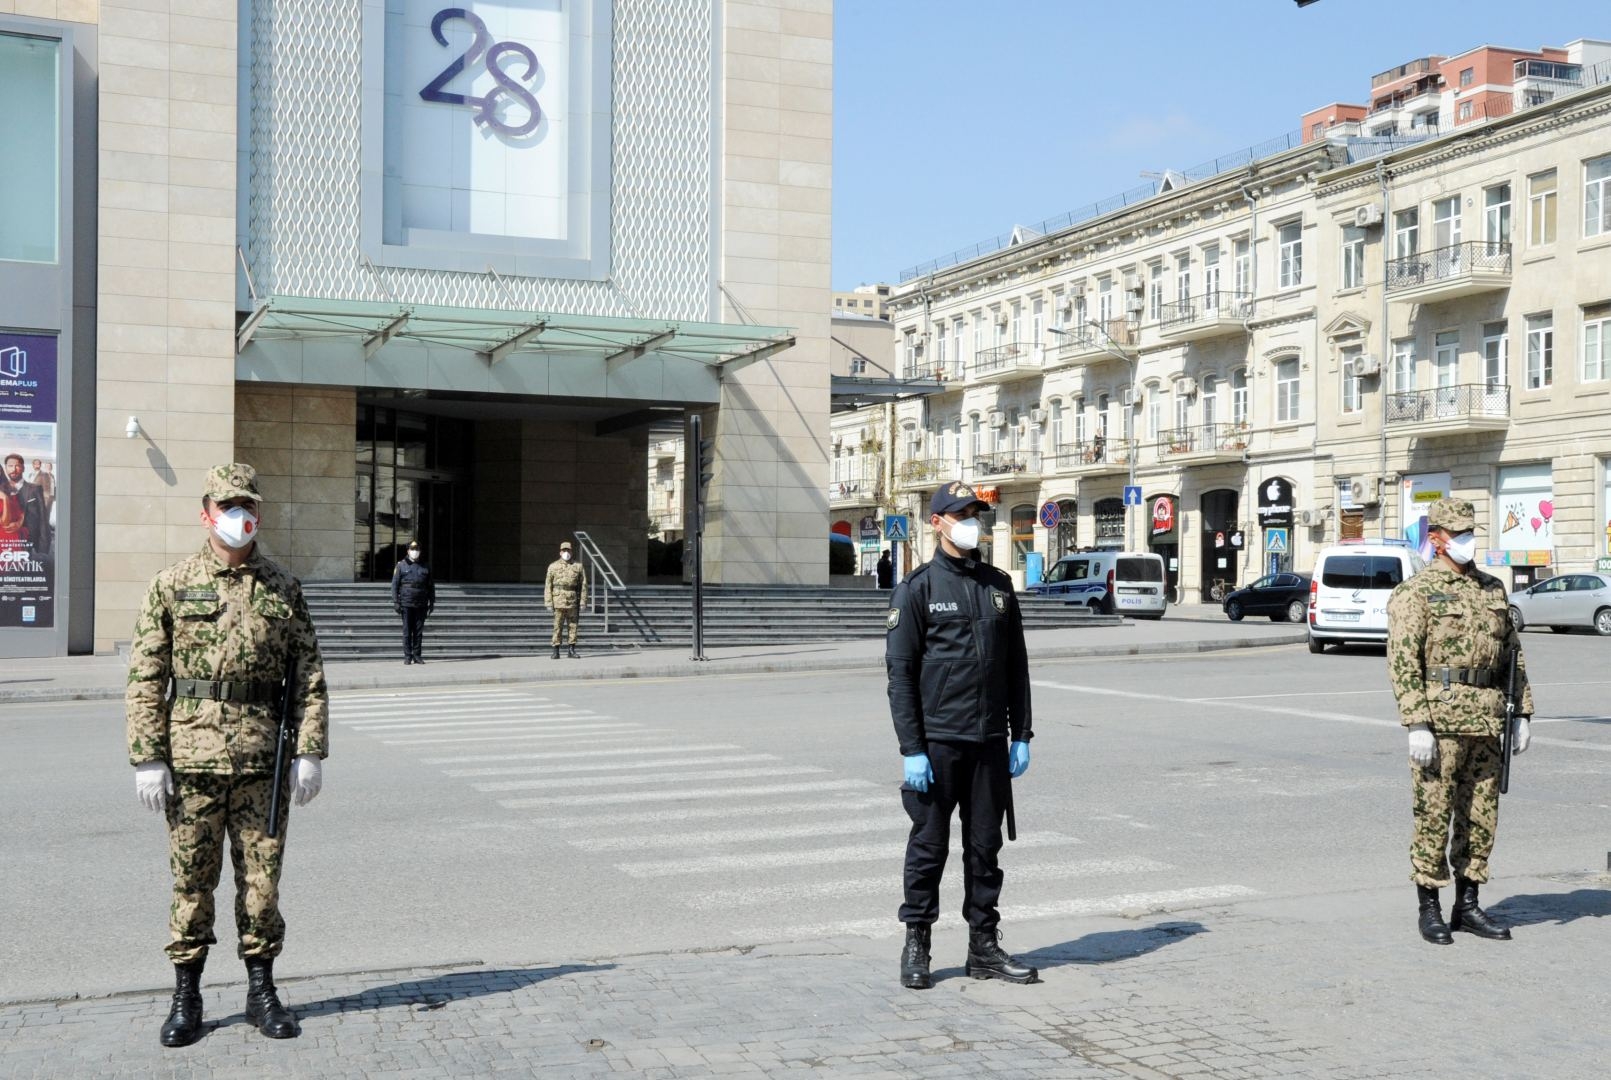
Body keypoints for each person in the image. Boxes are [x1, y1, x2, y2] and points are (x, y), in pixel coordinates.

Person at [125, 463, 330, 1046]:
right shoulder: (172, 584)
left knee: (262, 885)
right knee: (192, 883)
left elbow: (309, 677)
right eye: (228, 506)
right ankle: (186, 994)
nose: (239, 517)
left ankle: (262, 990)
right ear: (206, 512)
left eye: (248, 506)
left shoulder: (284, 589)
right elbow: (146, 677)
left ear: (258, 514)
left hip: (263, 761)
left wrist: (309, 751)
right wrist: (147, 757)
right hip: (191, 761)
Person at [885, 480, 1036, 990]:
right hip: (938, 744)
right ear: (938, 522)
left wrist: (1022, 733)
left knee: (985, 848)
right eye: (962, 513)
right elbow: (900, 675)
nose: (972, 521)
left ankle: (984, 947)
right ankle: (917, 943)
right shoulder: (918, 588)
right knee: (928, 849)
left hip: (990, 741)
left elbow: (1016, 665)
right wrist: (912, 750)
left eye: (976, 512)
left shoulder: (997, 585)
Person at [1386, 497, 1533, 946]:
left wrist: (1523, 712)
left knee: (1480, 816)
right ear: (1437, 538)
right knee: (1434, 814)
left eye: (1471, 533)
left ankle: (1467, 906)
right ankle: (1429, 907)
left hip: (1488, 720)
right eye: (1460, 534)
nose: (1468, 541)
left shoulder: (1492, 589)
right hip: (1440, 720)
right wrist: (1416, 723)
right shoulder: (1414, 593)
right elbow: (1403, 662)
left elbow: (1513, 656)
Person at [391, 539, 435, 664]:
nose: (415, 552)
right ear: (408, 551)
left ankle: (417, 655)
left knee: (418, 632)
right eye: (412, 549)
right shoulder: (401, 565)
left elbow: (430, 586)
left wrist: (432, 602)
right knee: (407, 631)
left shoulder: (425, 566)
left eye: (417, 550)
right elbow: (394, 585)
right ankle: (407, 656)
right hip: (406, 603)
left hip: (421, 603)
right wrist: (396, 601)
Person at [544, 539, 587, 659]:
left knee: (573, 626)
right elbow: (548, 585)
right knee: (557, 626)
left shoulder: (578, 566)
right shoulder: (553, 566)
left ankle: (571, 650)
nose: (566, 552)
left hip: (572, 600)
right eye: (564, 550)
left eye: (568, 550)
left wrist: (583, 601)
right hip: (558, 600)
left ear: (572, 552)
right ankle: (556, 650)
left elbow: (583, 585)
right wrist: (548, 602)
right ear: (560, 552)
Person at [2, 453, 46, 554]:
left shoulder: (35, 489)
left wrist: (43, 548)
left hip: (28, 540)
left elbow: (43, 518)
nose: (14, 469)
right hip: (5, 540)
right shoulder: (1, 489)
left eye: (17, 465)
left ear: (23, 468)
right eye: (10, 466)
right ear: (5, 468)